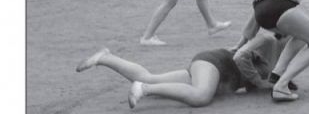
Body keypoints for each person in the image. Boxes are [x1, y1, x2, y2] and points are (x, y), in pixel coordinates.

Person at [76, 31, 289, 108]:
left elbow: (250, 84)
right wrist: (262, 82)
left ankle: (105, 58)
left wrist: (265, 83)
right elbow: (240, 56)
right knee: (200, 97)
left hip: (214, 71)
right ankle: (144, 89)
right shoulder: (269, 40)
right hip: (216, 64)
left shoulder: (279, 56)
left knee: (151, 76)